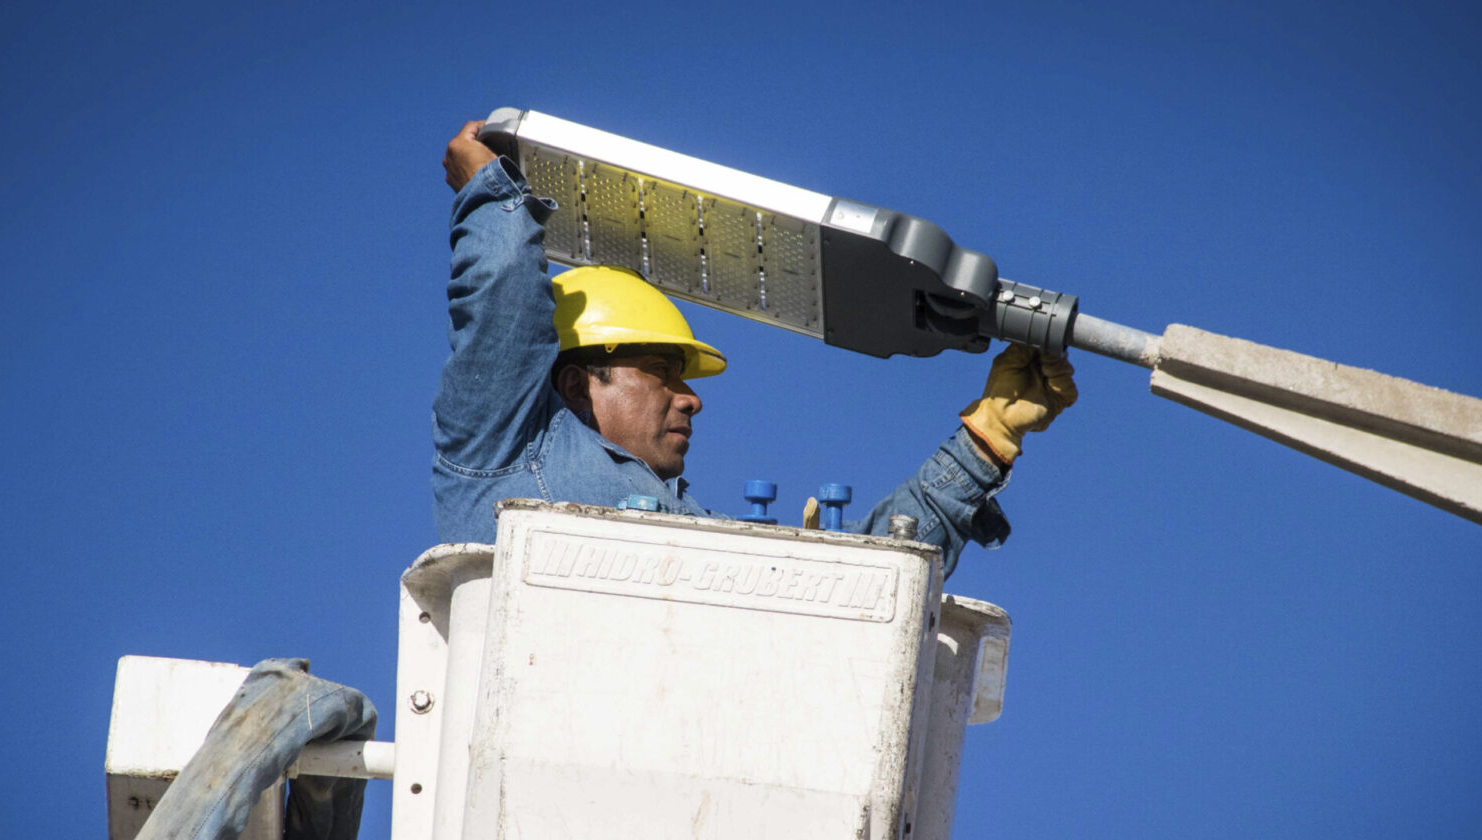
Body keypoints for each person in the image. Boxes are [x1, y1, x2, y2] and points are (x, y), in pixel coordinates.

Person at [434, 120, 1078, 575]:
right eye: (663, 372)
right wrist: (491, 195)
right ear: (578, 385)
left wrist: (982, 444)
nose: (691, 400)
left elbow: (870, 593)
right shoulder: (506, 445)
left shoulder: (693, 538)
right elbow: (500, 304)